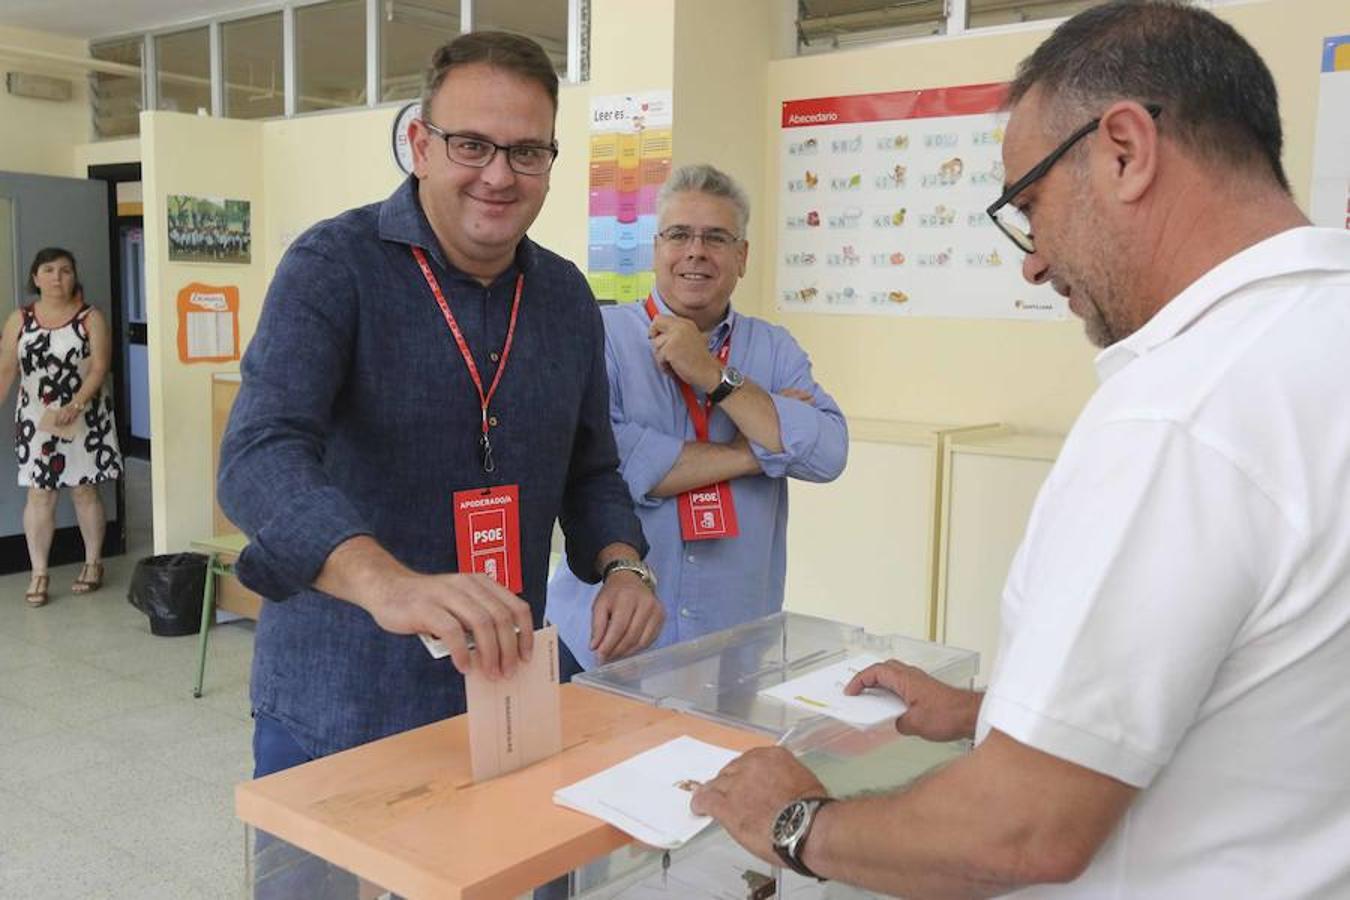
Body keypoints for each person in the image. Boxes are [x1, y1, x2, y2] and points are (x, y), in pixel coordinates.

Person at [692, 3, 1350, 896]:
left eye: (1029, 204)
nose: (1033, 263)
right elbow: (1264, 687)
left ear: (1124, 149)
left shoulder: (1176, 414)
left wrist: (798, 822)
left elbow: (1021, 831)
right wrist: (993, 712)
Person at [217, 31, 664, 778]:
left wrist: (625, 567)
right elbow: (258, 455)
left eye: (526, 151)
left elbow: (590, 469)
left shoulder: (564, 297)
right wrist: (384, 581)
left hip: (507, 689)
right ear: (420, 146)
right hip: (343, 697)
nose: (499, 175)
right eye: (471, 145)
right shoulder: (333, 267)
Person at [547, 164, 848, 669]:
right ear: (656, 247)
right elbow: (609, 467)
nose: (696, 251)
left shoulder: (772, 348)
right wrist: (756, 451)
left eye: (716, 237)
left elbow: (828, 453)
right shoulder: (599, 337)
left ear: (742, 256)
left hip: (730, 653)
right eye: (679, 234)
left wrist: (714, 375)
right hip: (603, 647)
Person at [0, 248, 122, 608]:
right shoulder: (19, 319)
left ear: (74, 276)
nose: (57, 277)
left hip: (84, 414)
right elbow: (7, 367)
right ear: (35, 278)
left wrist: (76, 404)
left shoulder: (90, 317)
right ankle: (39, 571)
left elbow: (100, 367)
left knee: (84, 490)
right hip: (37, 417)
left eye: (66, 270)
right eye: (49, 270)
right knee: (39, 492)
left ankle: (92, 562)